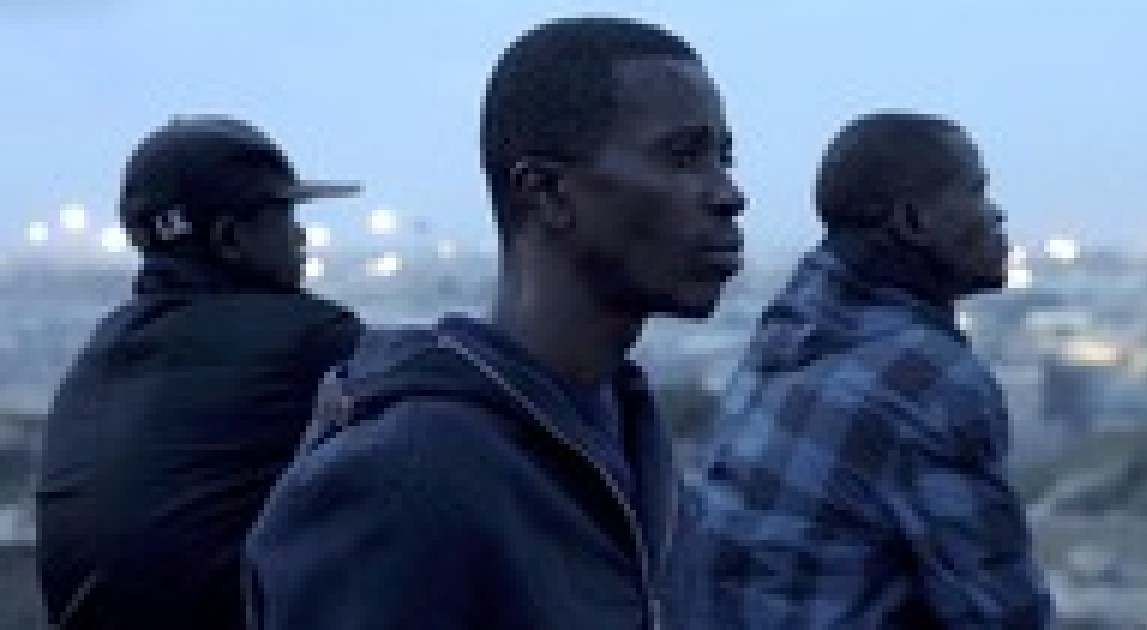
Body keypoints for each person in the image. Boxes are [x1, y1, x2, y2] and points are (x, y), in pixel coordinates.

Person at [244, 16, 744, 630]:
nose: (728, 194)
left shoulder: (636, 439)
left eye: (724, 158)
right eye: (684, 157)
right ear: (547, 192)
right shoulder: (401, 479)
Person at [680, 111, 1055, 628]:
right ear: (913, 222)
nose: (996, 214)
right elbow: (1005, 615)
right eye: (977, 191)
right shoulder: (926, 377)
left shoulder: (790, 332)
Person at [36, 116, 363, 629]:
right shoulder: (310, 337)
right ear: (229, 238)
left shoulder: (102, 348)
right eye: (283, 214)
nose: (301, 235)